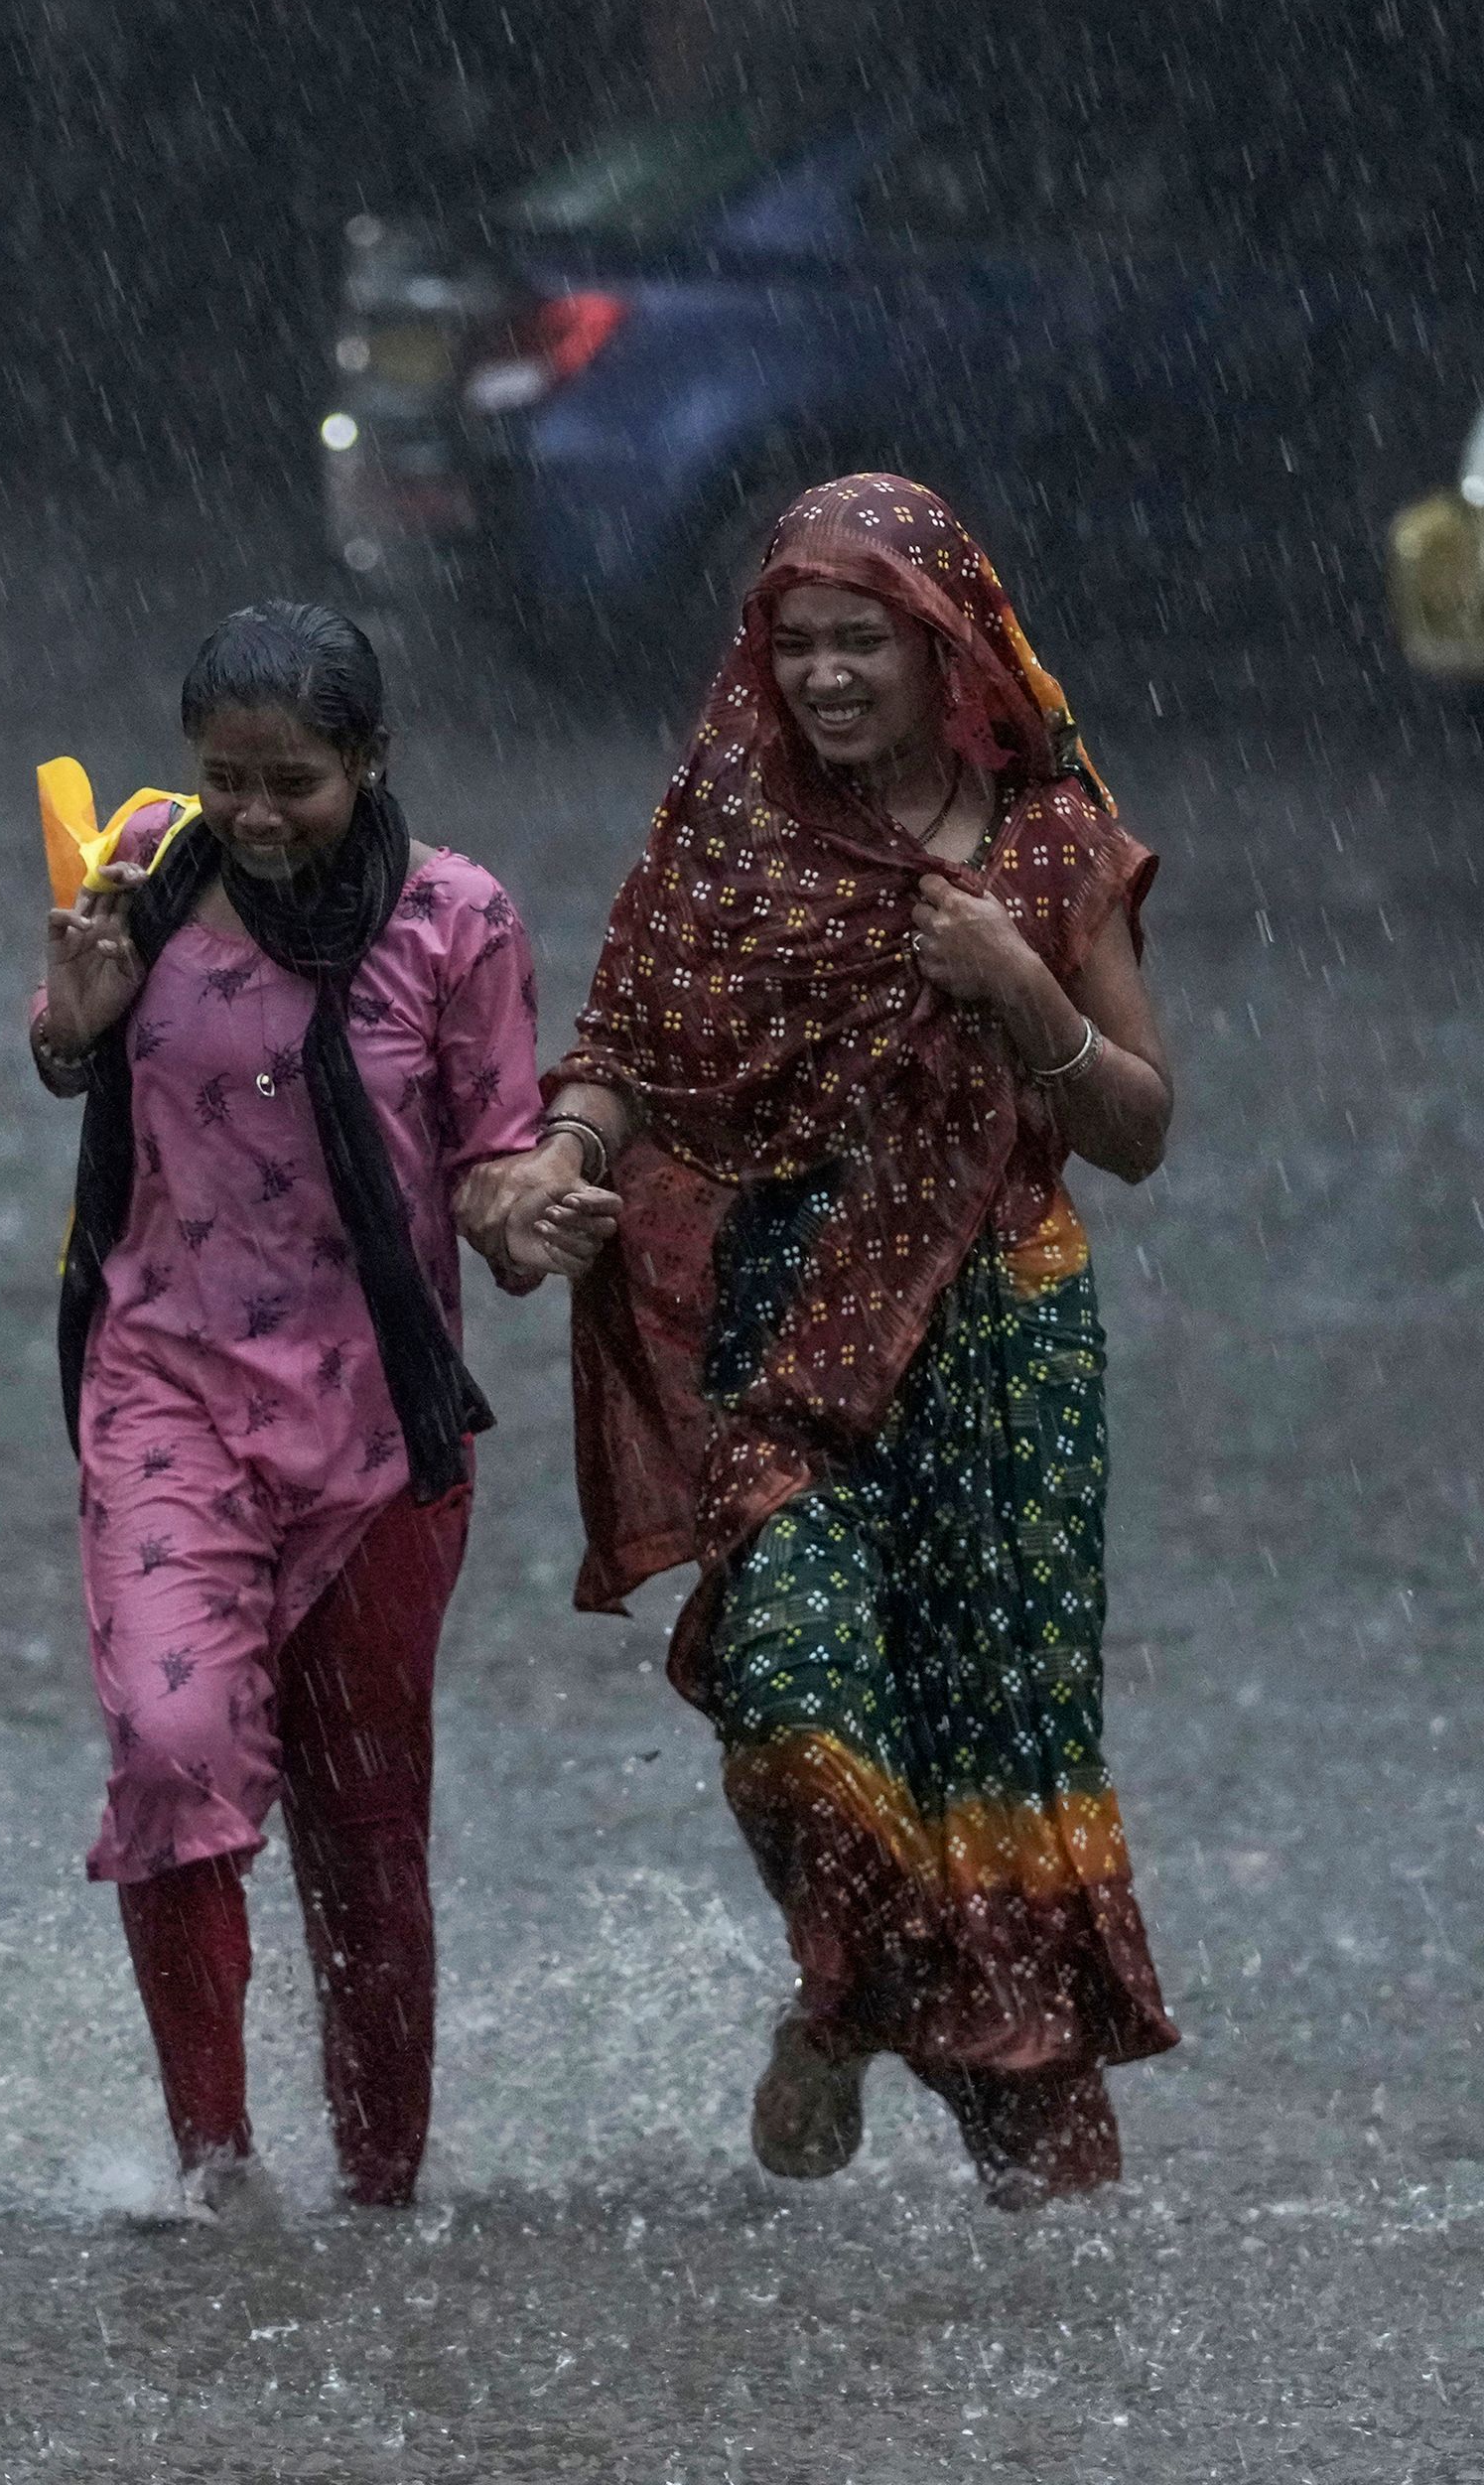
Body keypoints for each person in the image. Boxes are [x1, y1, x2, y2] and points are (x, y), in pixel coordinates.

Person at [464, 473, 1182, 2207]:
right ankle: (847, 1996)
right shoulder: (735, 831)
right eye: (797, 647)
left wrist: (1019, 987)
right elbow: (623, 1045)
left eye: (864, 642)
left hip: (1002, 1343)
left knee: (995, 1749)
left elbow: (1143, 1131)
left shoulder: (1052, 847)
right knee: (789, 1692)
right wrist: (553, 1168)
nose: (828, 678)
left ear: (950, 652)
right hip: (790, 1325)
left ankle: (1037, 2189)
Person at [31, 602, 542, 2215]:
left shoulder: (457, 921)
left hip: (378, 1426)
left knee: (364, 1819)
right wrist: (77, 1017)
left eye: (295, 783)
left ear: (371, 764)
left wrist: (539, 1215)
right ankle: (214, 2174)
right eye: (227, 776)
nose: (255, 816)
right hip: (165, 1386)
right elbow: (61, 1055)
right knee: (177, 1757)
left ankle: (382, 2190)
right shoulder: (146, 868)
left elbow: (503, 1167)